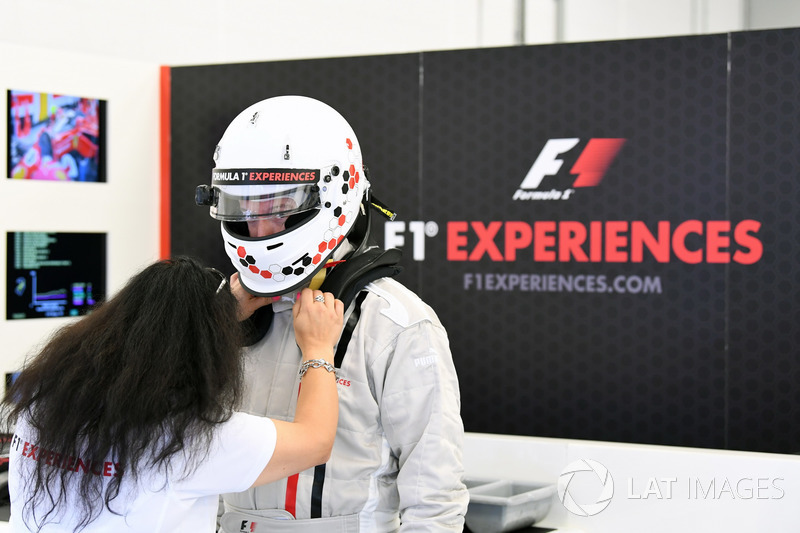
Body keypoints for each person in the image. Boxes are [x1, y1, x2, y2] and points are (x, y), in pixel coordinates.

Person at [196, 95, 468, 533]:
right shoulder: (221, 314)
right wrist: (210, 326)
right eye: (243, 207)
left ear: (335, 194)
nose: (258, 228)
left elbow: (434, 498)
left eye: (275, 207)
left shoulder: (397, 325)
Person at [3, 256, 344, 532]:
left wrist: (214, 318)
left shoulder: (44, 398)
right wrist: (318, 346)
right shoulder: (185, 438)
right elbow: (316, 441)